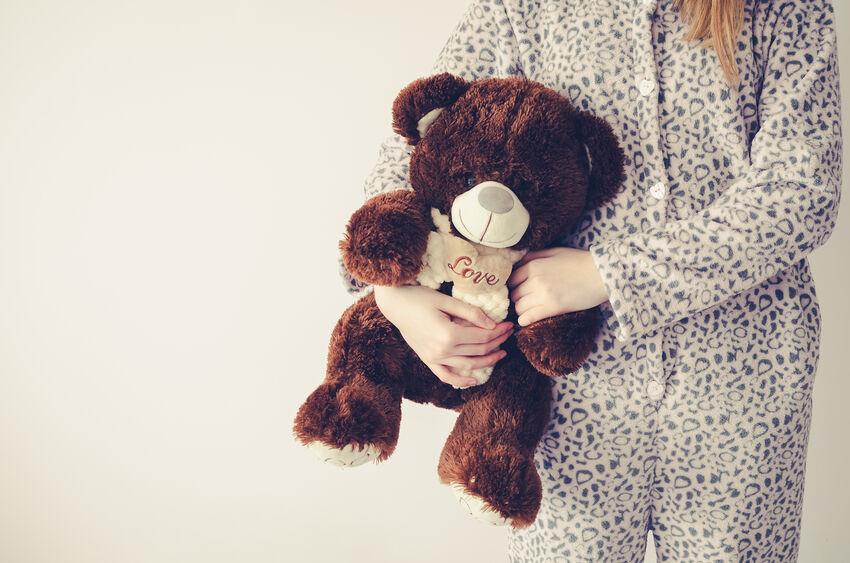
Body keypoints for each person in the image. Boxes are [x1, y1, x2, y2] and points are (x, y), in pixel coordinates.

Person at [340, 0, 842, 560]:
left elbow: (801, 191)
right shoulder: (520, 8)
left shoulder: (783, 10)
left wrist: (612, 274)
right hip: (566, 398)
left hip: (741, 392)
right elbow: (415, 150)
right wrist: (395, 292)